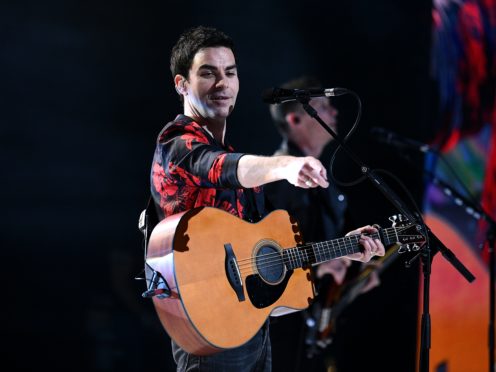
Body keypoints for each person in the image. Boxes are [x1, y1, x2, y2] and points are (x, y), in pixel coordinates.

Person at [149, 26, 385, 372]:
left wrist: (341, 248)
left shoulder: (224, 148)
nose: (222, 83)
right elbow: (218, 167)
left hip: (250, 327)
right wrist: (286, 166)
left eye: (230, 72)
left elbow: (264, 256)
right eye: (208, 73)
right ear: (182, 84)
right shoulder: (177, 142)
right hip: (207, 331)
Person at [264, 76, 380, 371]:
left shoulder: (326, 182)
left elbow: (329, 248)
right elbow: (261, 259)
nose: (334, 112)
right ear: (295, 119)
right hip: (280, 328)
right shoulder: (274, 180)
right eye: (323, 107)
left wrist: (355, 271)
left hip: (314, 324)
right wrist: (317, 267)